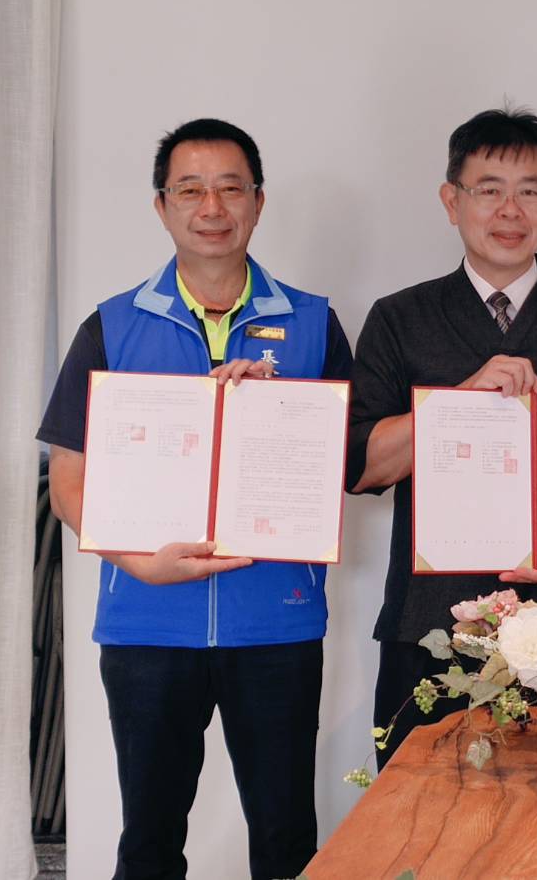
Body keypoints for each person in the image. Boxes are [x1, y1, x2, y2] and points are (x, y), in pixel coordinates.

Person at [38, 119, 353, 880]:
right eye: (190, 188)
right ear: (162, 207)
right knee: (147, 841)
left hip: (273, 625)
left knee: (284, 840)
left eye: (229, 187)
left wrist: (281, 416)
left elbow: (347, 466)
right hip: (146, 624)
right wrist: (139, 563)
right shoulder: (111, 326)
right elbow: (68, 484)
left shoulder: (312, 323)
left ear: (258, 202)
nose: (211, 205)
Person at [347, 106, 537, 767]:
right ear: (450, 200)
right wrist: (459, 403)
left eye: (530, 190)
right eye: (488, 189)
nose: (509, 209)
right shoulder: (400, 319)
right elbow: (362, 467)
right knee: (416, 832)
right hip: (429, 623)